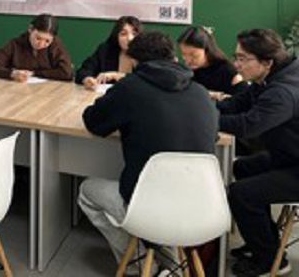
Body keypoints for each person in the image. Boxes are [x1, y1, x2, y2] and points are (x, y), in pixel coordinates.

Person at [78, 31, 218, 269]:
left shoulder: (130, 88)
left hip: (149, 206)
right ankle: (172, 266)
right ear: (173, 57)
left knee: (87, 191)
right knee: (167, 197)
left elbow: (93, 121)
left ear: (134, 62)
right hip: (204, 206)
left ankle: (144, 268)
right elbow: (211, 136)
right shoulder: (201, 93)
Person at [219, 29, 299, 277]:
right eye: (236, 57)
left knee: (242, 194)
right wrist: (203, 106)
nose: (236, 64)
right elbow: (237, 103)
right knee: (241, 168)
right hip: (288, 155)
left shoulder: (282, 92)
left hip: (295, 166)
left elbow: (247, 126)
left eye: (243, 59)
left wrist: (204, 119)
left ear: (267, 62)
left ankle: (271, 260)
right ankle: (264, 241)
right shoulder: (270, 77)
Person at [0, 13, 72, 81]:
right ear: (30, 29)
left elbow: (66, 73)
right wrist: (11, 73)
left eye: (47, 41)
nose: (41, 44)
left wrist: (34, 73)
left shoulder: (55, 46)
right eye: (38, 38)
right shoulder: (15, 44)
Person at [177, 25, 245, 99]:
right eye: (184, 54)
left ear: (207, 50)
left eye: (194, 55)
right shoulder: (187, 71)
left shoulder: (227, 71)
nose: (188, 60)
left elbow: (242, 99)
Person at [76, 16, 142, 87]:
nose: (130, 38)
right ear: (116, 37)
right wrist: (87, 79)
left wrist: (116, 75)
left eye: (134, 34)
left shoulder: (146, 53)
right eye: (123, 34)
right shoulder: (105, 50)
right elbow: (83, 71)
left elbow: (145, 79)